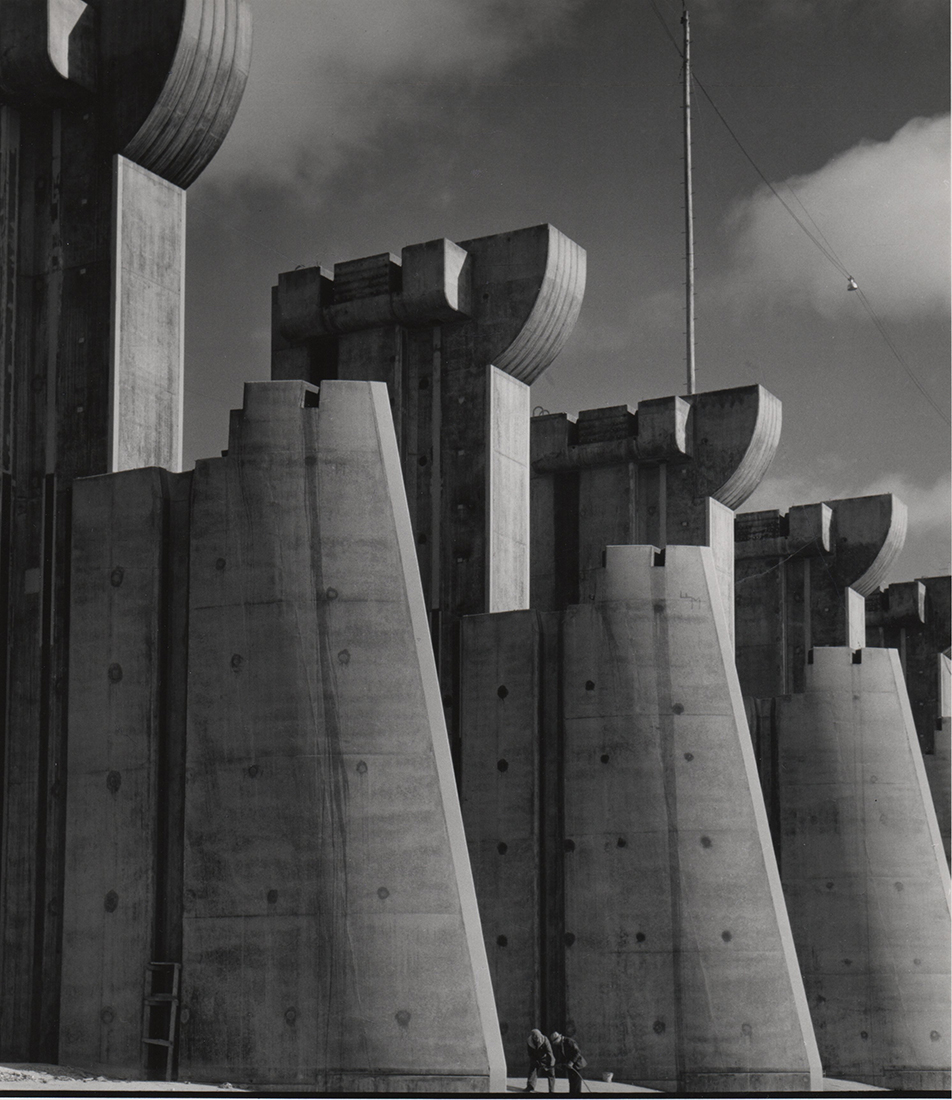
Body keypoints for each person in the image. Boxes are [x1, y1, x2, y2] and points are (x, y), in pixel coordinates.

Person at [549, 1030, 586, 1096]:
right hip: (570, 1066)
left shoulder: (569, 1041)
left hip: (577, 1065)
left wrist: (571, 1062)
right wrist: (560, 1064)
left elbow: (577, 1053)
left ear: (560, 1037)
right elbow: (564, 1055)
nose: (556, 1044)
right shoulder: (560, 1045)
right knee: (571, 1082)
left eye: (556, 1041)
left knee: (576, 1083)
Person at [525, 1028, 555, 1093]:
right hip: (535, 1058)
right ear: (533, 1037)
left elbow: (550, 1052)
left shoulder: (545, 1040)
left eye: (538, 1037)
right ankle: (530, 1086)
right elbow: (530, 1053)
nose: (537, 1039)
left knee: (551, 1073)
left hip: (545, 1058)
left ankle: (551, 1090)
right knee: (532, 1070)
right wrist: (534, 1061)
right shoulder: (529, 1041)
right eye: (535, 1038)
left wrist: (551, 1063)